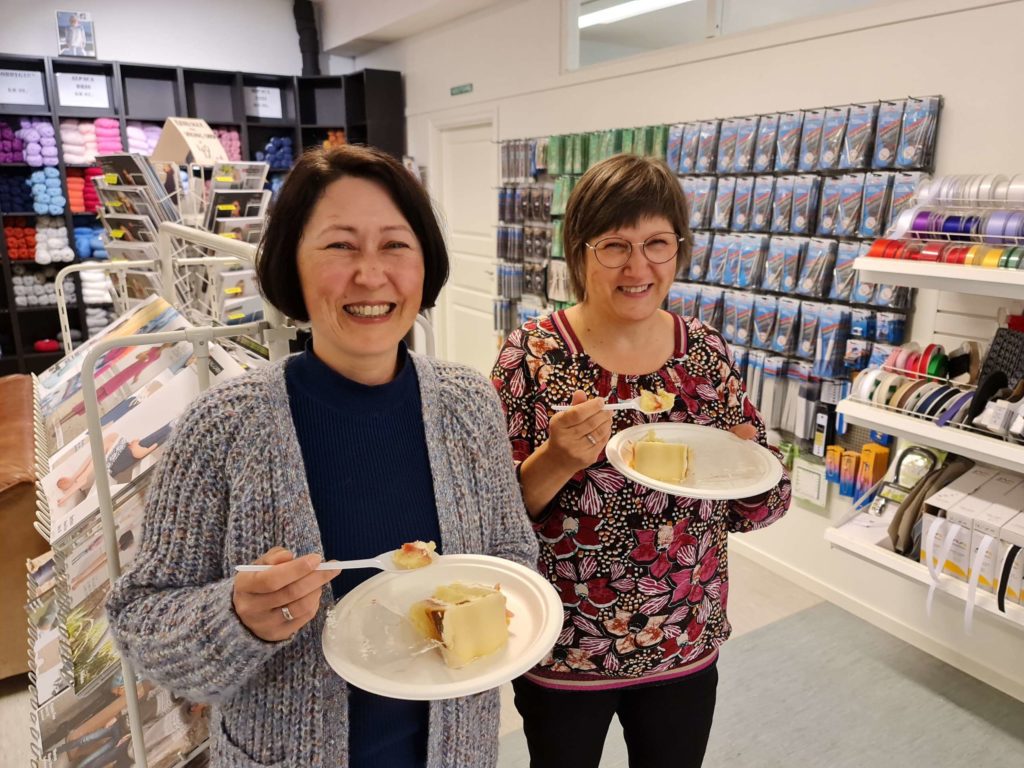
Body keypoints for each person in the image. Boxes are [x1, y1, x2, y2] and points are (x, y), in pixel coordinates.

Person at [107, 145, 538, 767]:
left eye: (395, 245)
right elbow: (141, 620)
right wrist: (237, 617)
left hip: (456, 752)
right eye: (340, 246)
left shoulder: (468, 402)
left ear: (425, 265)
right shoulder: (225, 422)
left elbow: (513, 554)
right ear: (294, 267)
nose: (370, 275)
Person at [491, 153, 791, 768]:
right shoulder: (533, 354)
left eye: (658, 243)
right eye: (614, 246)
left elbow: (762, 503)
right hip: (567, 641)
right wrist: (556, 458)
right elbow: (494, 517)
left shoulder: (703, 350)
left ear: (679, 248)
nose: (638, 267)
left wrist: (753, 467)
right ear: (579, 252)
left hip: (684, 632)